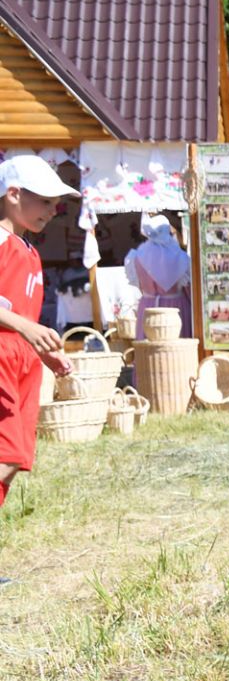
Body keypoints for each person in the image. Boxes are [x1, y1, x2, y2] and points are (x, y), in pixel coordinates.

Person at [0, 157, 78, 519]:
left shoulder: (29, 251)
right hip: (2, 356)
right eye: (45, 200)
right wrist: (25, 328)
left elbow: (22, 313)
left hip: (22, 361)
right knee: (7, 455)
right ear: (13, 194)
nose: (54, 209)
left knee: (14, 460)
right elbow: (18, 319)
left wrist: (42, 351)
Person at [123, 212, 193, 339]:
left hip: (148, 308)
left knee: (149, 350)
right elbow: (189, 290)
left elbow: (139, 285)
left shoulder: (136, 256)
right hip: (175, 309)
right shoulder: (180, 257)